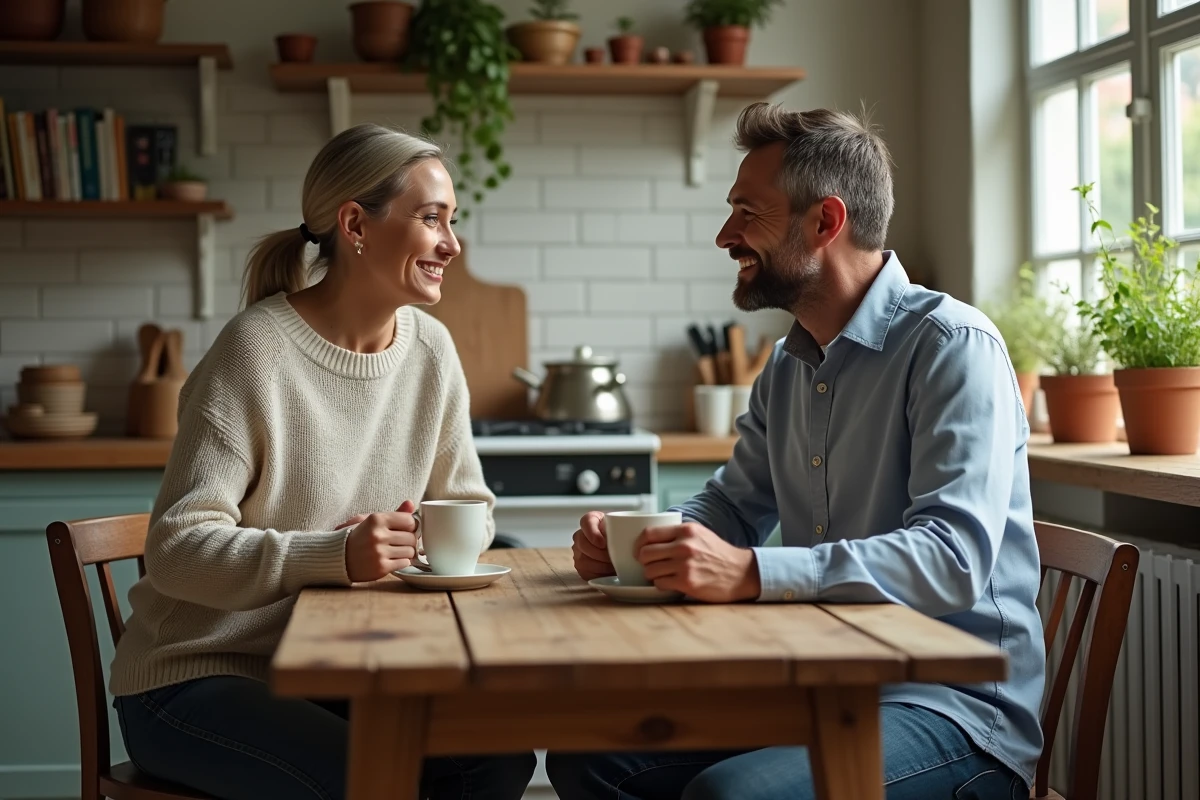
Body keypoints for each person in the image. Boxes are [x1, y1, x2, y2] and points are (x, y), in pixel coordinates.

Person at [548, 103, 1046, 800]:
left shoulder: (952, 348)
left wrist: (752, 572)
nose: (726, 235)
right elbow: (731, 504)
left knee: (734, 797)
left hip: (956, 714)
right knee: (589, 757)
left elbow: (952, 560)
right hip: (824, 681)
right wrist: (646, 546)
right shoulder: (787, 365)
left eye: (748, 213)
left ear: (825, 222)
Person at [107, 123, 536, 800]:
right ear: (355, 225)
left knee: (497, 760)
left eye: (452, 221)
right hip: (199, 676)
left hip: (337, 670)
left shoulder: (432, 349)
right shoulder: (255, 351)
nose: (452, 244)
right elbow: (176, 549)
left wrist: (418, 537)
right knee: (371, 780)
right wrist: (335, 555)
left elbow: (472, 508)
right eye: (431, 219)